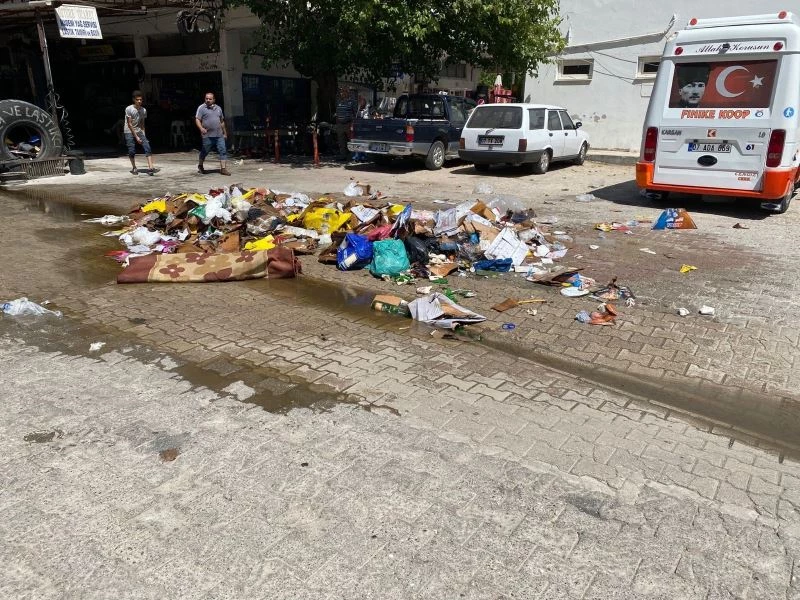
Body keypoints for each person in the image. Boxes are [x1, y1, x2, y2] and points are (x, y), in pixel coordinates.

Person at [195, 91, 230, 176]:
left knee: (223, 150)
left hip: (219, 134)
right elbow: (197, 119)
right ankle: (200, 165)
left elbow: (222, 121)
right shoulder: (201, 108)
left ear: (214, 100)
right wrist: (201, 128)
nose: (208, 100)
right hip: (207, 135)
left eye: (210, 99)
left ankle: (223, 169)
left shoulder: (218, 108)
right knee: (205, 151)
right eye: (206, 98)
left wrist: (225, 133)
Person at [124, 90, 157, 175]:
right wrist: (136, 137)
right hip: (129, 130)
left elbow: (142, 123)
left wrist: (144, 136)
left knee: (147, 147)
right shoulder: (129, 109)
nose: (139, 101)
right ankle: (134, 167)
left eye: (141, 100)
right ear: (134, 100)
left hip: (138, 130)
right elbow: (129, 124)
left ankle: (150, 167)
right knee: (131, 150)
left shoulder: (143, 110)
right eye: (137, 99)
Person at [334, 88, 357, 161]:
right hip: (340, 124)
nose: (342, 94)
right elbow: (337, 112)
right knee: (341, 141)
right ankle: (343, 156)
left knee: (351, 141)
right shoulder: (338, 102)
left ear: (348, 93)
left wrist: (352, 124)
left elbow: (355, 113)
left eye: (344, 92)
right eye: (341, 92)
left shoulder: (351, 102)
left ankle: (353, 156)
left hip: (348, 124)